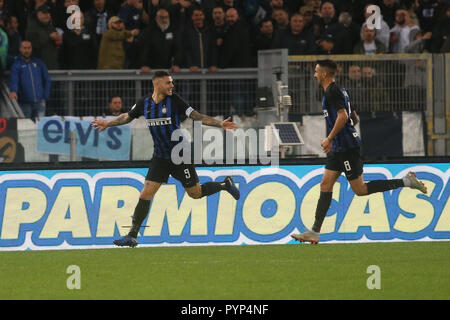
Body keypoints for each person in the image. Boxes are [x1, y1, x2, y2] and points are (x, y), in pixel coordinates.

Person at [91, 70, 240, 247]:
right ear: (157, 84)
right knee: (146, 193)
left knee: (195, 193)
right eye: (168, 83)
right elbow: (127, 117)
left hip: (180, 155)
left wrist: (219, 123)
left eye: (172, 82)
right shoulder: (144, 103)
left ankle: (225, 184)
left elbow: (197, 116)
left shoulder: (175, 100)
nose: (172, 86)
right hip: (160, 156)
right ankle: (132, 235)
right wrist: (107, 123)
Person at [290, 59, 427, 244]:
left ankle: (407, 181)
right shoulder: (341, 91)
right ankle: (314, 231)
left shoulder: (332, 92)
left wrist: (331, 137)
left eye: (316, 72)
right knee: (325, 185)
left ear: (323, 74)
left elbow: (344, 116)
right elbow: (354, 118)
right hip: (339, 148)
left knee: (360, 190)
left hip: (347, 149)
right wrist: (340, 135)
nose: (314, 75)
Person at [9, 40, 51, 118]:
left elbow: (47, 79)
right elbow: (14, 80)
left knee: (39, 128)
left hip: (40, 102)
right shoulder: (16, 65)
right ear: (20, 49)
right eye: (24, 48)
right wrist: (13, 91)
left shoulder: (39, 63)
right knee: (26, 127)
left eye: (29, 48)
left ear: (31, 49)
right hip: (24, 103)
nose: (27, 50)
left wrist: (45, 96)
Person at [25, 4, 61, 70]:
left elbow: (56, 46)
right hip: (38, 66)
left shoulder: (51, 27)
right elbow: (33, 45)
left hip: (52, 65)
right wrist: (49, 37)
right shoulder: (32, 28)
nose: (47, 15)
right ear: (38, 14)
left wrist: (58, 41)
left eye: (48, 13)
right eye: (44, 13)